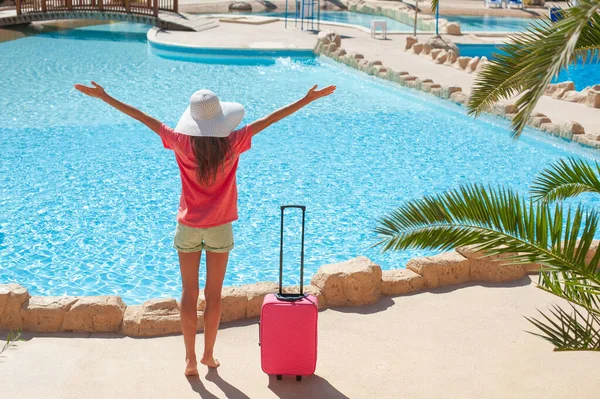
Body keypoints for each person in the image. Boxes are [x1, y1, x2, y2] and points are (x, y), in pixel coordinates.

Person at [74, 81, 336, 376]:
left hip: (187, 226)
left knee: (188, 291)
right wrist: (306, 99)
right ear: (219, 119)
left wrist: (106, 96)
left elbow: (143, 117)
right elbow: (271, 118)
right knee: (214, 294)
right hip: (219, 228)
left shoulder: (180, 141)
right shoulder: (233, 142)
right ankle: (208, 355)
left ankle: (189, 359)